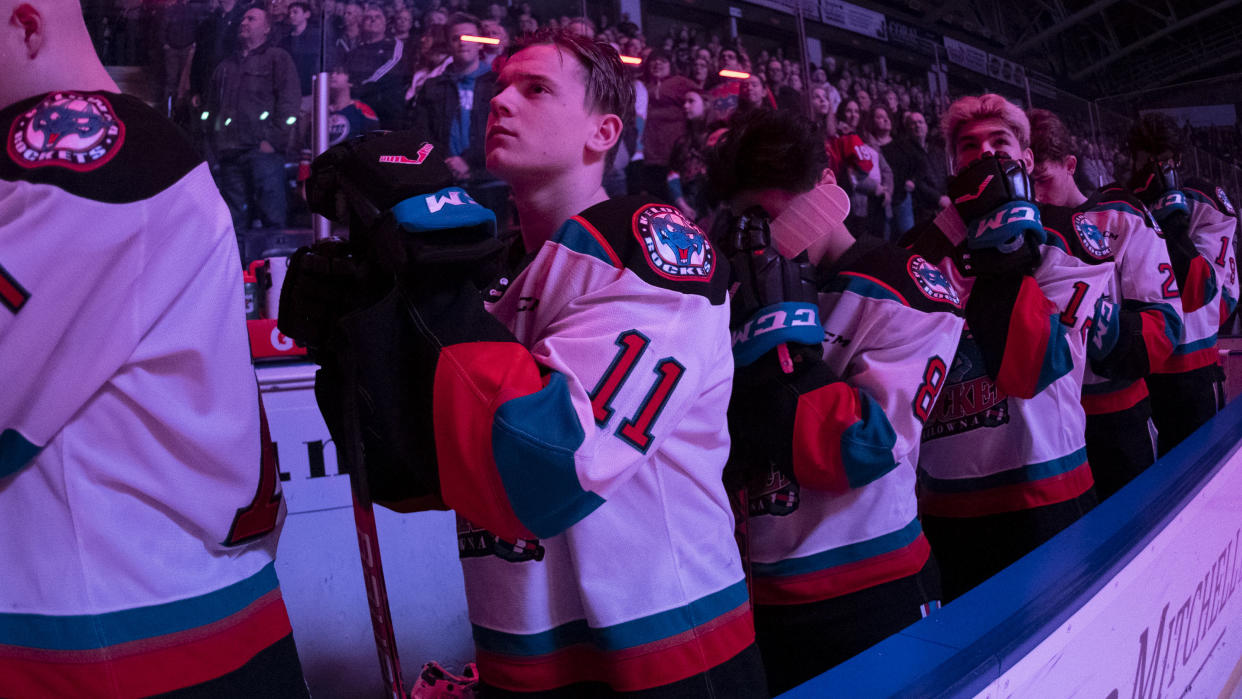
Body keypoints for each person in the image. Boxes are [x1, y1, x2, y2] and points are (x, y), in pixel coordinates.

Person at [312, 28, 765, 695]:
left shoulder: (647, 247)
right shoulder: (498, 282)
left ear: (603, 131)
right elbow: (416, 479)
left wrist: (432, 282)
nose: (503, 102)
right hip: (524, 656)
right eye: (499, 87)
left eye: (536, 88)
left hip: (667, 656)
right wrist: (366, 332)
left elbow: (552, 467)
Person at [0, 0, 308, 695]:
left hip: (118, 640)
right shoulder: (129, 153)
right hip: (163, 616)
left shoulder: (87, 150)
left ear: (25, 26)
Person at [707, 109, 963, 695]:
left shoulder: (906, 286)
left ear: (824, 190)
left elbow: (863, 450)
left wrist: (783, 348)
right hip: (757, 590)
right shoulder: (729, 293)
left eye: (769, 217)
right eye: (745, 221)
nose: (760, 239)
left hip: (872, 587)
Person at [902, 94, 1114, 600]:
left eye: (1000, 142)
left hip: (1050, 488)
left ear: (1025, 157)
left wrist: (1000, 239)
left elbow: (1033, 366)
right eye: (969, 146)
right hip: (949, 500)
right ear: (953, 164)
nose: (984, 154)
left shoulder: (1071, 235)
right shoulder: (913, 254)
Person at [1028, 109, 1183, 498]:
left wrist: (1095, 317)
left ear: (1070, 165)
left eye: (1042, 180)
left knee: (1140, 533)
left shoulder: (1122, 215)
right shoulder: (1018, 233)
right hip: (1045, 430)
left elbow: (1166, 327)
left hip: (1117, 416)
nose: (1035, 197)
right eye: (1024, 185)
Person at [1122, 113, 1238, 454]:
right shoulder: (1125, 207)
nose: (1155, 170)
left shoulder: (1205, 201)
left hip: (1194, 368)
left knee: (1204, 470)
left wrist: (1172, 225)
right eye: (1145, 160)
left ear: (1179, 160)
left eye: (1163, 160)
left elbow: (1215, 300)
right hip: (1143, 370)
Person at [207, 6, 301, 233]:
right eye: (243, 18)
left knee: (272, 218)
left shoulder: (278, 59)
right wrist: (214, 146)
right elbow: (211, 109)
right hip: (230, 153)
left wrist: (273, 141)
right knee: (233, 223)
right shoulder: (225, 67)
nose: (244, 22)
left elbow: (289, 102)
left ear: (267, 28)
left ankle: (274, 266)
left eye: (252, 18)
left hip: (263, 152)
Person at [344, 3, 408, 128]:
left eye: (377, 17)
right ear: (362, 24)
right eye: (368, 18)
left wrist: (360, 87)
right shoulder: (355, 52)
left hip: (387, 110)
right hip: (360, 108)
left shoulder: (395, 45)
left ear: (385, 23)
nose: (373, 20)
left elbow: (390, 68)